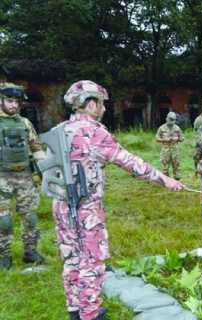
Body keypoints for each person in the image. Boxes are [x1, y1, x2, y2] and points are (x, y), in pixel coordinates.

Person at [44, 80, 183, 320]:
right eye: (101, 104)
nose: (104, 109)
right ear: (89, 104)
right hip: (86, 209)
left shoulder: (58, 130)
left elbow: (47, 169)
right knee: (92, 262)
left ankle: (75, 310)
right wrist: (165, 180)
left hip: (61, 206)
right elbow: (130, 162)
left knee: (71, 259)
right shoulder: (95, 131)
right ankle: (91, 314)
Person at [0, 82, 46, 270]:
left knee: (31, 217)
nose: (13, 105)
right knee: (4, 220)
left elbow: (36, 148)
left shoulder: (25, 123)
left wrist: (45, 174)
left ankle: (30, 252)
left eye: (17, 102)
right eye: (9, 101)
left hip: (24, 176)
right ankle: (4, 256)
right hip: (1, 177)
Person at [155, 112, 184, 180]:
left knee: (176, 163)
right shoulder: (161, 128)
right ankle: (166, 178)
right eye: (170, 119)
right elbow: (157, 138)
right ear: (166, 119)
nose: (171, 121)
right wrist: (164, 139)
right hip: (165, 148)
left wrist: (177, 139)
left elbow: (182, 138)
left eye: (173, 120)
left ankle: (176, 177)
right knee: (165, 164)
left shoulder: (177, 128)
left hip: (175, 148)